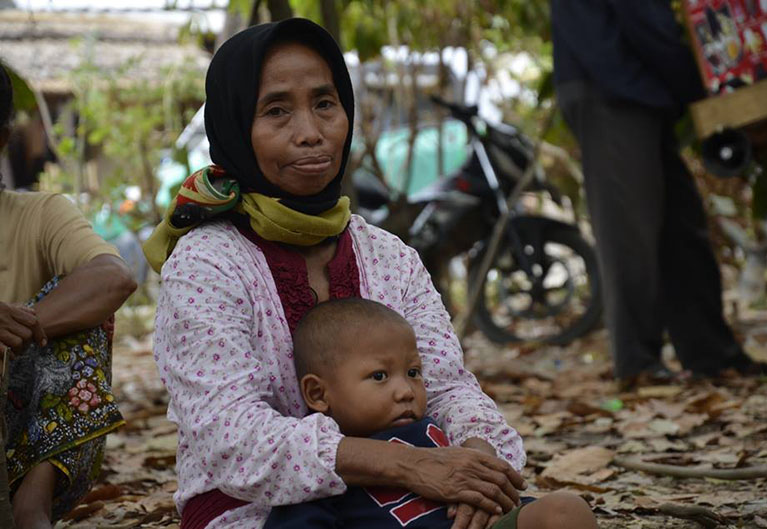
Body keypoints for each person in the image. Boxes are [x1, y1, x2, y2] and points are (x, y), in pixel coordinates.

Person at [146, 18, 593, 529]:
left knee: (564, 515)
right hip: (261, 510)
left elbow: (447, 387)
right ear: (234, 126)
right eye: (276, 111)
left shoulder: (387, 255)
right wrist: (409, 465)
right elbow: (232, 437)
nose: (310, 133)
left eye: (325, 103)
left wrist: (477, 468)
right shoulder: (207, 264)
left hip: (414, 500)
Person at [550, 1, 767, 386]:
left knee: (681, 229)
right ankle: (638, 365)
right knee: (630, 231)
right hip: (610, 83)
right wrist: (710, 87)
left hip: (637, 86)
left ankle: (712, 355)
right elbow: (648, 22)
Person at [264, 297, 598, 529]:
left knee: (565, 510)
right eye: (379, 376)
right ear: (318, 394)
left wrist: (489, 493)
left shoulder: (435, 430)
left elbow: (503, 498)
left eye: (413, 373)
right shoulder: (323, 467)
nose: (406, 390)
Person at [0, 65, 138, 528]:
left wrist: (19, 323)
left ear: (1, 139)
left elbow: (113, 279)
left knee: (82, 303)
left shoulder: (40, 214)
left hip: (17, 442)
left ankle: (31, 507)